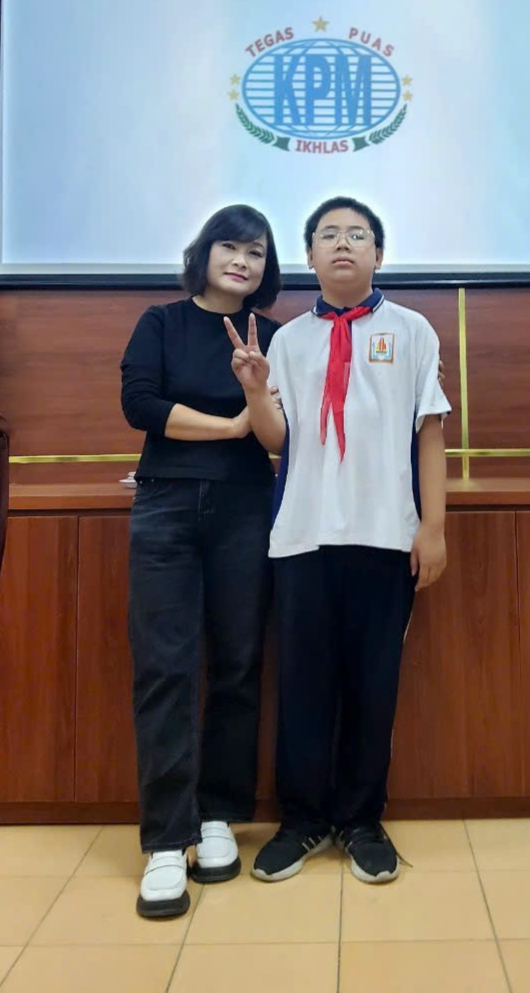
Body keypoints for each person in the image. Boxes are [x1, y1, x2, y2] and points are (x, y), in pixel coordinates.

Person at [226, 196, 451, 885]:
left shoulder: (412, 330)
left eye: (358, 234)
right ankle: (302, 819)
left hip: (387, 538)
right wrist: (257, 391)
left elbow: (430, 433)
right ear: (310, 256)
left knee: (373, 684)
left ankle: (360, 819)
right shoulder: (288, 341)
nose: (343, 243)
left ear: (379, 253)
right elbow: (277, 440)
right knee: (302, 684)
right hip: (303, 537)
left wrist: (434, 528)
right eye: (329, 234)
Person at [120, 204, 281, 918]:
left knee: (239, 662)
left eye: (256, 252)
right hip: (166, 505)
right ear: (205, 252)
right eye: (230, 246)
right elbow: (140, 405)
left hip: (247, 508)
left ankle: (218, 813)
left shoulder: (273, 336)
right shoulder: (160, 321)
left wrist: (255, 393)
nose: (242, 261)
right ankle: (166, 837)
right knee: (165, 666)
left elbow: (278, 435)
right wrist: (231, 425)